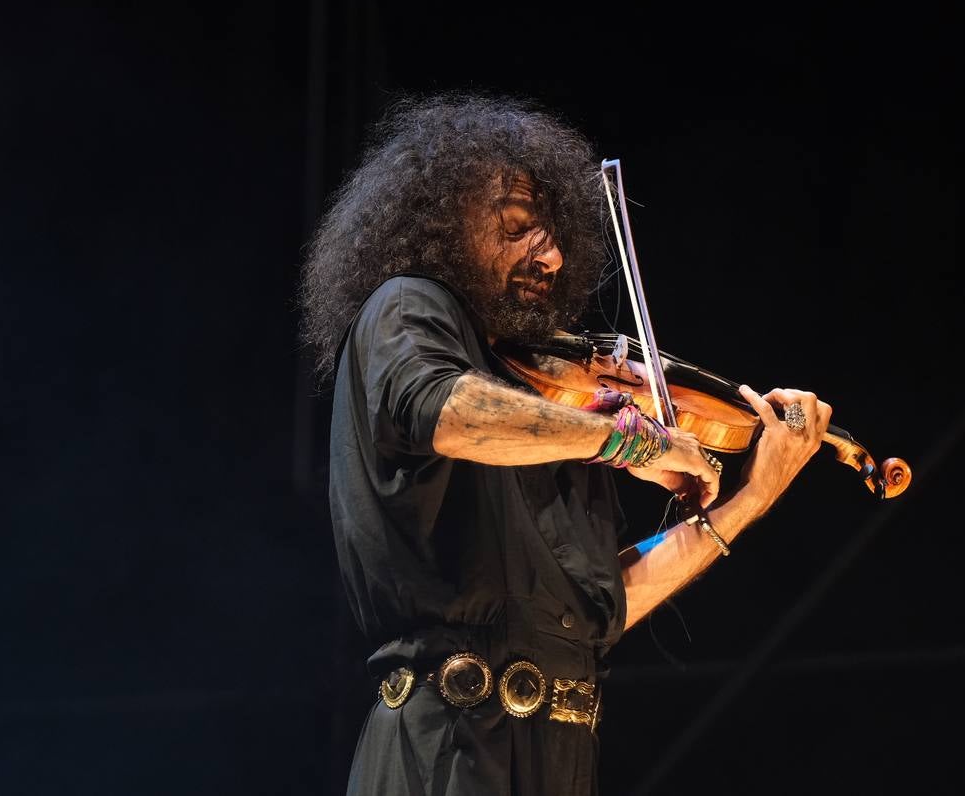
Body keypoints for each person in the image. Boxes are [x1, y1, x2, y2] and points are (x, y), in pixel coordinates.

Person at [299, 92, 831, 795]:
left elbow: (595, 615)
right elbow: (449, 412)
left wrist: (752, 497)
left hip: (560, 756)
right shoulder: (407, 306)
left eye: (553, 236)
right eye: (516, 227)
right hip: (450, 746)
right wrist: (630, 443)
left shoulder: (553, 401)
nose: (545, 254)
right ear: (438, 225)